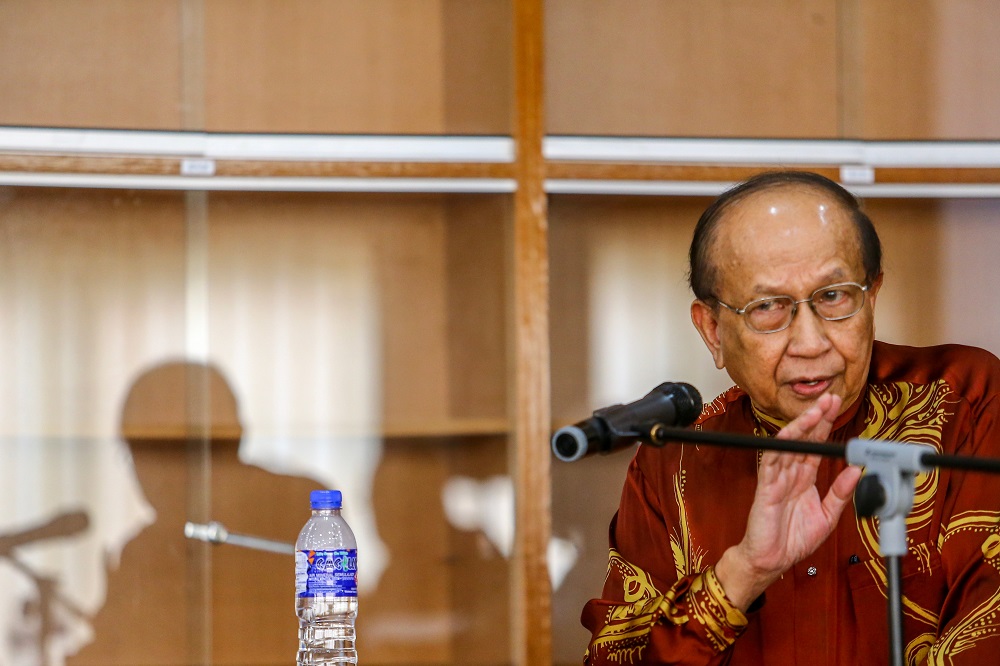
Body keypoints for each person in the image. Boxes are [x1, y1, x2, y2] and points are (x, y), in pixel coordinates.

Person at [581, 171, 1000, 664]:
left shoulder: (963, 401)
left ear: (873, 296)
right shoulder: (675, 461)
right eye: (768, 308)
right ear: (712, 330)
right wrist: (742, 573)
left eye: (834, 296)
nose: (810, 343)